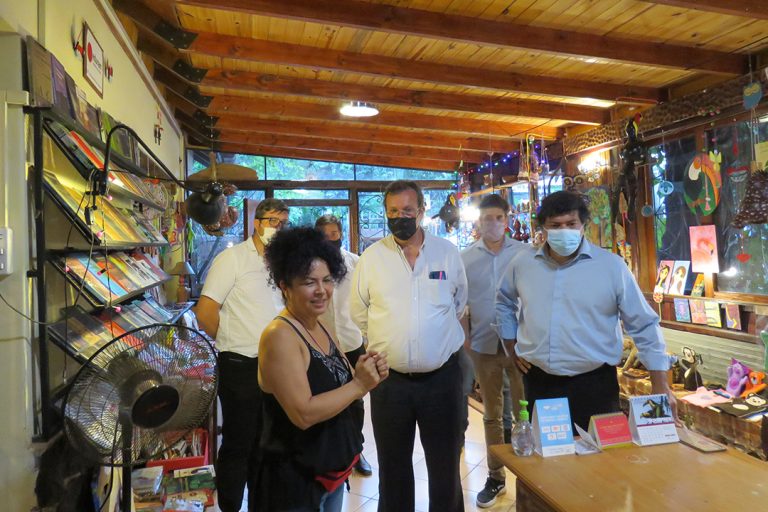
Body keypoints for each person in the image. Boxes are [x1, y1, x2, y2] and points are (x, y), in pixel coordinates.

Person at [496, 191, 675, 433]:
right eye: (555, 225)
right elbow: (504, 301)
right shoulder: (523, 264)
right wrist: (511, 344)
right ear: (543, 229)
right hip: (539, 382)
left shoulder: (611, 266)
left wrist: (660, 384)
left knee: (602, 454)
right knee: (545, 454)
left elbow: (643, 324)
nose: (564, 231)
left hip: (595, 384)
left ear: (583, 225)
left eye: (571, 224)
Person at [350, 180, 468, 512]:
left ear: (421, 211)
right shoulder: (372, 259)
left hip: (442, 379)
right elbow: (358, 312)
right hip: (390, 381)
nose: (399, 217)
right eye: (393, 211)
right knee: (393, 467)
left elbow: (459, 304)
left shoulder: (447, 253)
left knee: (445, 464)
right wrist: (389, 340)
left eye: (407, 210)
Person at [257, 227, 389, 511]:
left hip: (330, 475)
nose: (321, 290)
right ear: (285, 286)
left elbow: (344, 385)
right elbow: (303, 413)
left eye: (327, 280)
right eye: (309, 282)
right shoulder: (280, 336)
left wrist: (368, 371)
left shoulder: (321, 325)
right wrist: (359, 385)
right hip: (294, 481)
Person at [194, 198, 289, 512]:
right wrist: (232, 340)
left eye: (283, 223)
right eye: (272, 221)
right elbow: (205, 312)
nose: (277, 228)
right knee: (239, 443)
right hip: (241, 365)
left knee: (269, 442)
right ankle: (230, 506)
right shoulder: (232, 259)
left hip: (278, 365)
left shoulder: (284, 261)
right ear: (257, 223)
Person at [460, 194, 526, 508]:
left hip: (521, 347)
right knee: (492, 415)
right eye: (488, 218)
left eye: (499, 218)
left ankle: (529, 475)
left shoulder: (525, 254)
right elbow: (460, 303)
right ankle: (496, 476)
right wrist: (465, 338)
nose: (494, 223)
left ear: (507, 219)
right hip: (483, 345)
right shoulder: (465, 258)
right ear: (479, 221)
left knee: (524, 411)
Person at [314, 214, 373, 476]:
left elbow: (368, 299)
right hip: (319, 342)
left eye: (334, 234)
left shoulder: (356, 263)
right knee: (323, 397)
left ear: (341, 234)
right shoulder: (308, 265)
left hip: (351, 341)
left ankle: (356, 451)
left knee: (355, 400)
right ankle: (327, 451)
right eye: (324, 235)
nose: (330, 239)